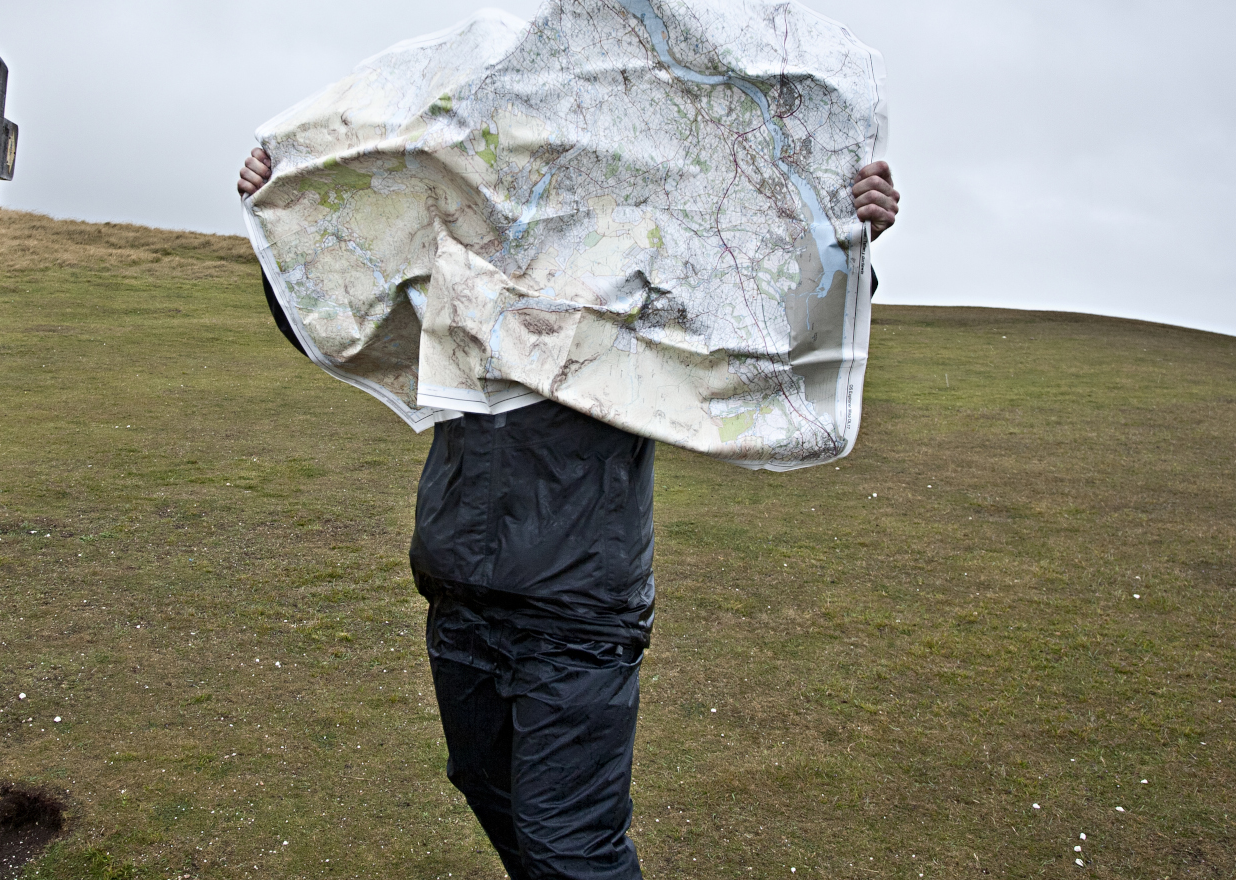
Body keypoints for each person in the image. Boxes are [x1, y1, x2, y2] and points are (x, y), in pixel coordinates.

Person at [238, 146, 899, 879]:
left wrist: (850, 241)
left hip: (576, 611)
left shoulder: (640, 284)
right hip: (460, 595)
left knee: (569, 847)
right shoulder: (464, 266)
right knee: (487, 787)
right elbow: (337, 323)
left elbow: (769, 334)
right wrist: (280, 217)